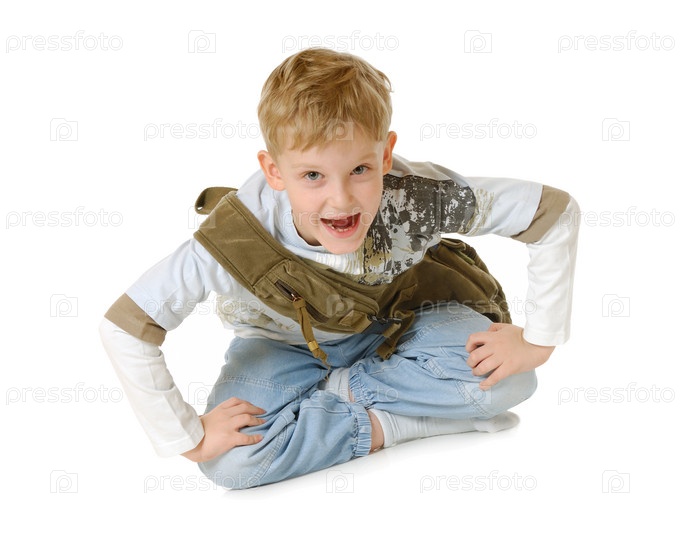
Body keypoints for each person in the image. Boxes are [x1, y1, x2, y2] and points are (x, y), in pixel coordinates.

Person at [99, 47, 580, 489]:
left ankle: (334, 396)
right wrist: (187, 436)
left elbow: (553, 212)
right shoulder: (237, 236)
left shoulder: (419, 195)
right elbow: (126, 326)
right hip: (280, 347)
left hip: (401, 323)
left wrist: (539, 340)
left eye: (360, 170)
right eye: (312, 175)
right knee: (230, 463)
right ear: (274, 171)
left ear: (385, 154)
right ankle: (402, 421)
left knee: (515, 379)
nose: (341, 199)